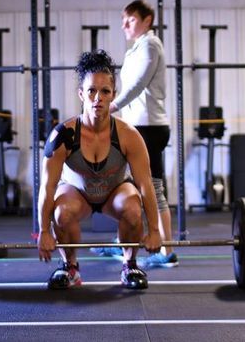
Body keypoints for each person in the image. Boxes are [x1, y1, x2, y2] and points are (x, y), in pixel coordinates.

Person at [37, 49, 162, 290]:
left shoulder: (128, 136)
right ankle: (70, 268)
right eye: (92, 91)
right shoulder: (62, 135)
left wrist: (155, 230)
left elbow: (146, 185)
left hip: (114, 192)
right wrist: (43, 230)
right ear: (81, 94)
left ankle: (130, 265)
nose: (98, 98)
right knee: (61, 212)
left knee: (133, 207)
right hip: (77, 193)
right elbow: (47, 187)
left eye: (105, 91)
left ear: (113, 94)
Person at [99, 0, 178, 268]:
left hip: (150, 128)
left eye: (130, 19)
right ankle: (124, 241)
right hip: (136, 126)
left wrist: (110, 106)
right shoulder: (135, 50)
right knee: (125, 184)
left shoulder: (151, 45)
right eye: (123, 19)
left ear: (147, 20)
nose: (124, 24)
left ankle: (166, 250)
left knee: (153, 189)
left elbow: (137, 85)